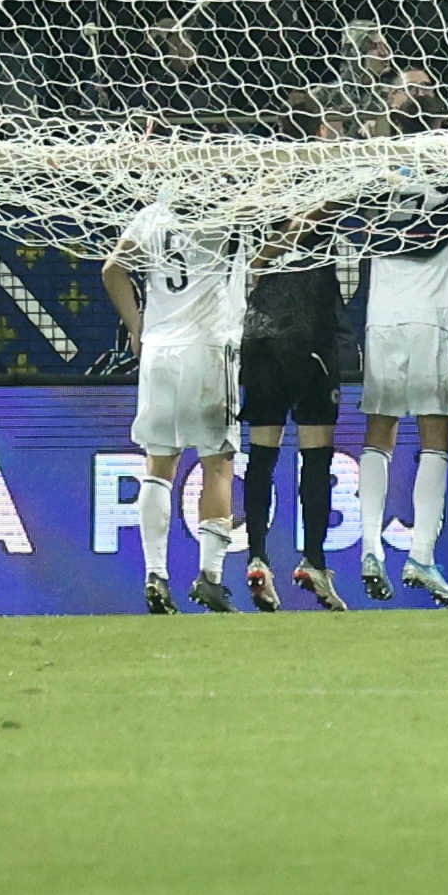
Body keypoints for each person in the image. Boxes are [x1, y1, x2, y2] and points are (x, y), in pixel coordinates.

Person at [102, 196, 248, 614]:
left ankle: (155, 575)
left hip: (158, 350)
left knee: (158, 463)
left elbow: (112, 268)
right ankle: (211, 577)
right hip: (207, 348)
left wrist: (136, 325)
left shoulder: (151, 217)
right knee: (217, 462)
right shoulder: (223, 213)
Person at [354, 176, 448, 606]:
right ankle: (420, 554)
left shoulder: (374, 176)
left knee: (379, 432)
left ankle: (370, 546)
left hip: (383, 318)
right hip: (433, 318)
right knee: (434, 437)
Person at [236, 219, 348, 611]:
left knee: (263, 450)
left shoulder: (258, 194)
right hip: (308, 334)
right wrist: (267, 255)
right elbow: (308, 217)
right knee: (316, 451)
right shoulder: (319, 184)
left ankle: (257, 557)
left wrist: (260, 259)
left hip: (260, 333)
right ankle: (314, 561)